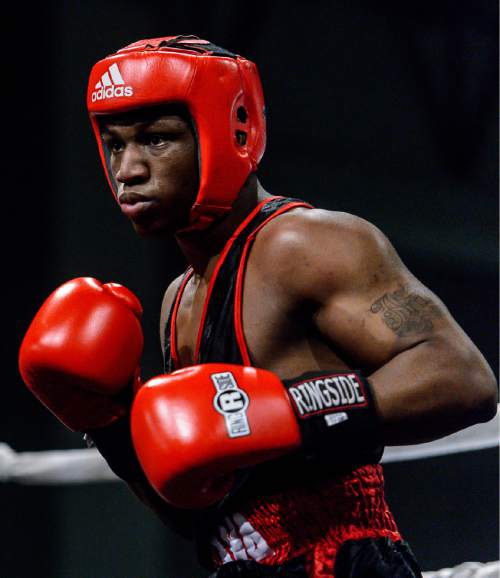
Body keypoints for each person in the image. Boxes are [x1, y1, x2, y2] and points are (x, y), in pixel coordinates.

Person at [19, 35, 498, 577]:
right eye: (114, 144)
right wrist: (108, 426)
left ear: (229, 132)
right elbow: (203, 512)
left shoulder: (304, 245)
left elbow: (462, 378)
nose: (128, 168)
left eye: (156, 140)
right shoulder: (178, 302)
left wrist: (286, 411)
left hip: (340, 559)